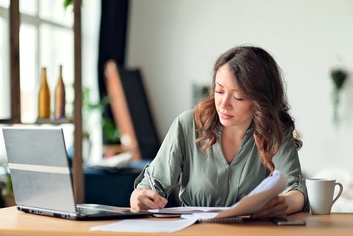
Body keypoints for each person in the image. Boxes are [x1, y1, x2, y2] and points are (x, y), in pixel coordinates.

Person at [130, 45, 309, 219]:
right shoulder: (187, 125)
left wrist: (286, 203)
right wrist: (139, 197)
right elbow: (152, 184)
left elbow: (294, 188)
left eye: (238, 97)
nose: (224, 104)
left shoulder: (275, 131)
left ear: (261, 100)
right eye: (219, 90)